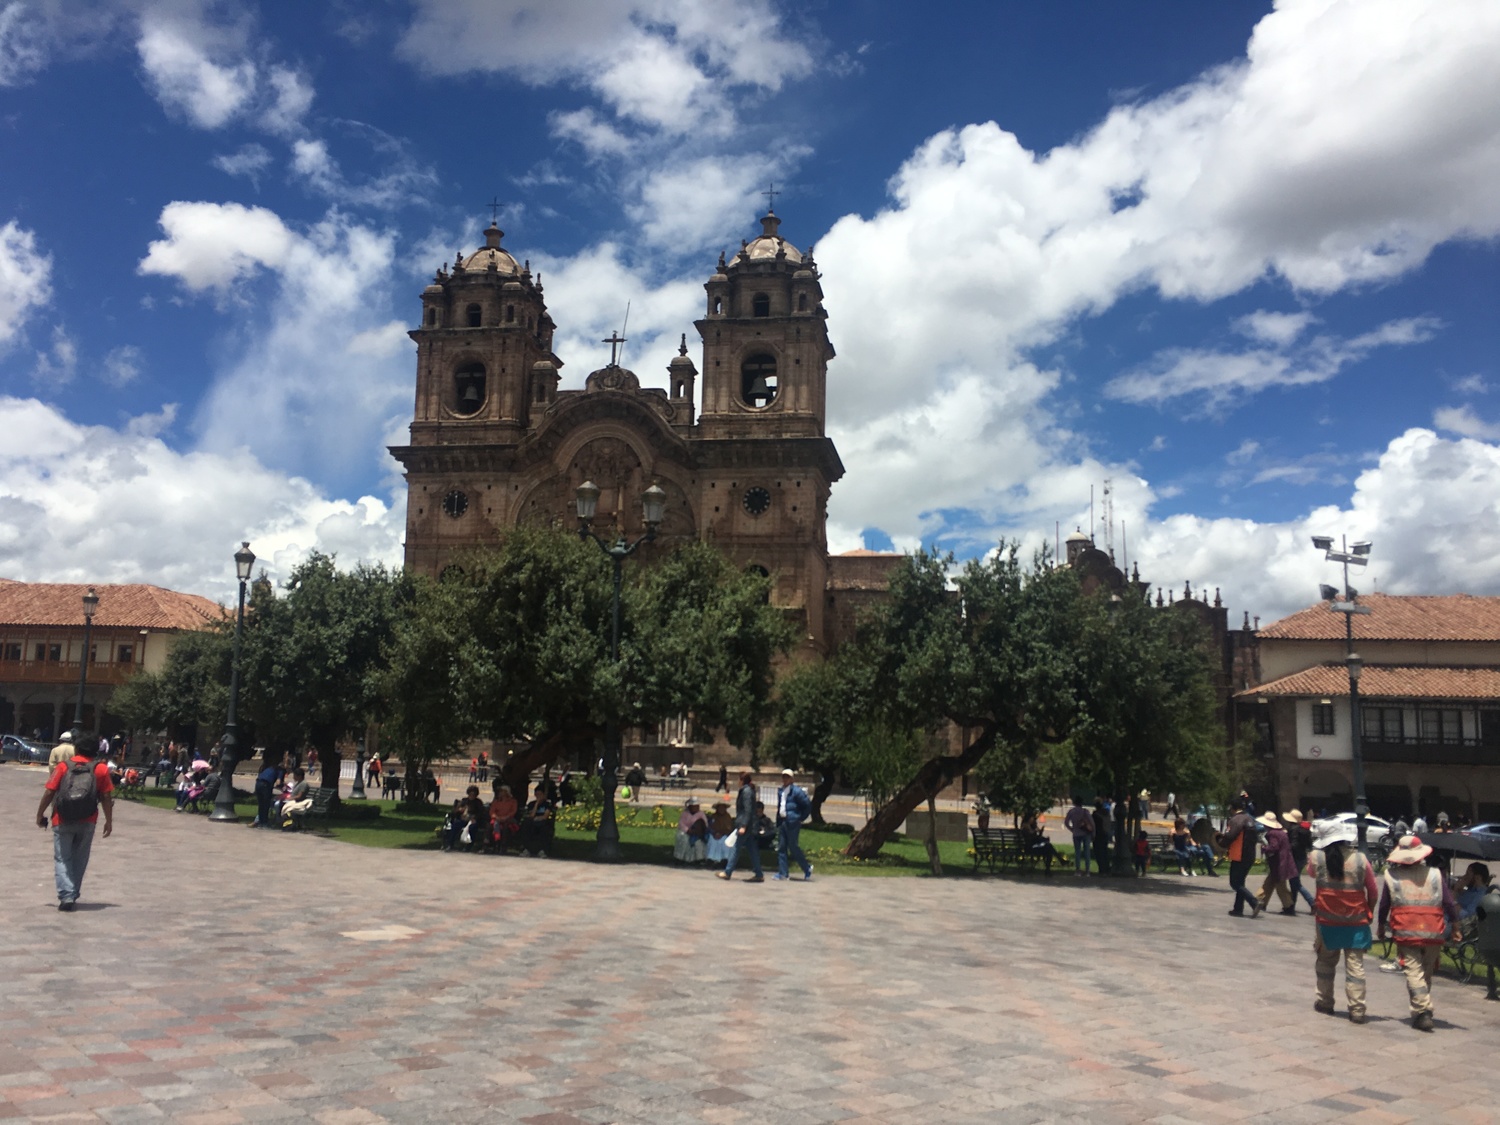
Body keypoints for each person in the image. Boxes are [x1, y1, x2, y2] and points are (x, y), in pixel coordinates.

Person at [1377, 835, 1456, 1032]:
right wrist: (1455, 926)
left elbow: (1385, 904)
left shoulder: (1392, 875)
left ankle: (1422, 1010)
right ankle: (1422, 1008)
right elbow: (1448, 903)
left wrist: (1380, 925)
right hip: (1433, 930)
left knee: (1413, 971)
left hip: (1406, 930)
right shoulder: (1435, 874)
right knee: (1426, 973)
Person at [36, 738, 114, 910]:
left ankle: (67, 895)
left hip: (62, 818)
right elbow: (106, 797)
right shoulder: (100, 769)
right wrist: (109, 821)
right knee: (80, 858)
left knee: (63, 857)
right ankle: (72, 892)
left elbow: (49, 791)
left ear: (77, 749)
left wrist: (40, 813)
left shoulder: (64, 767)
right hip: (88, 819)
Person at [1309, 836, 1379, 1023]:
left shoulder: (1316, 857)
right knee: (1355, 967)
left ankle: (1325, 1002)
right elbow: (1373, 892)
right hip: (1355, 923)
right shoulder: (1360, 860)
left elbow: (1310, 873)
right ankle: (1357, 1010)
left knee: (1325, 962)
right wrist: (1369, 912)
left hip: (1327, 922)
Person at [717, 770, 764, 882]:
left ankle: (727, 872)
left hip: (746, 825)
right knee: (752, 849)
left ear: (742, 780)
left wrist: (743, 825)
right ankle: (759, 873)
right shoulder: (747, 790)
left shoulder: (746, 792)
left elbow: (747, 810)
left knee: (736, 847)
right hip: (749, 825)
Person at [1219, 799, 1262, 917]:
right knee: (1240, 882)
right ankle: (1238, 909)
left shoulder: (1236, 820)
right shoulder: (1250, 819)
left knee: (1234, 883)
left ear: (1232, 808)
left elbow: (1231, 835)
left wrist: (1221, 842)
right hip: (1250, 855)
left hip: (1239, 855)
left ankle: (1254, 902)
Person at [773, 768, 813, 881]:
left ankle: (807, 868)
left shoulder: (797, 791)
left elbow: (807, 805)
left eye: (787, 777)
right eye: (783, 777)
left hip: (792, 823)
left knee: (793, 846)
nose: (785, 779)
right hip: (783, 822)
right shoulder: (781, 791)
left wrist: (800, 818)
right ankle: (783, 873)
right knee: (781, 847)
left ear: (792, 779)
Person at [1255, 813, 1297, 914]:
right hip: (1283, 862)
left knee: (1280, 887)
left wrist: (1265, 848)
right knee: (1269, 884)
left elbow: (1274, 847)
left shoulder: (1272, 834)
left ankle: (1289, 906)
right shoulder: (1281, 832)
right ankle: (1261, 902)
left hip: (1279, 864)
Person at [1283, 809, 1316, 911]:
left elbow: (1294, 844)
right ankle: (1291, 906)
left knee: (1295, 883)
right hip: (1302, 857)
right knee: (1294, 882)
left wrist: (1286, 848)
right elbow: (1309, 845)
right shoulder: (1304, 830)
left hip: (1295, 858)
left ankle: (1312, 903)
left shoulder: (1293, 829)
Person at [516, 783, 554, 856]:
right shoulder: (531, 804)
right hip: (532, 822)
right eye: (537, 794)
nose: (538, 796)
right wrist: (536, 804)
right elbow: (531, 815)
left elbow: (545, 816)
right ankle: (527, 849)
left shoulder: (547, 804)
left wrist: (538, 818)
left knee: (544, 829)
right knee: (526, 826)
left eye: (540, 794)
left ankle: (542, 850)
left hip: (543, 822)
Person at [1064, 797, 1094, 876]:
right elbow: (1092, 823)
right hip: (1085, 834)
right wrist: (1093, 832)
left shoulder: (1071, 812)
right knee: (1087, 852)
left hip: (1076, 834)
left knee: (1077, 852)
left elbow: (1066, 822)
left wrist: (1072, 829)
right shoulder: (1085, 811)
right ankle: (1087, 871)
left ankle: (1078, 870)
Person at [674, 797, 709, 864]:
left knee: (698, 843)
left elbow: (705, 824)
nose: (696, 807)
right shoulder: (685, 813)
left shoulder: (701, 814)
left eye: (697, 806)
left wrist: (697, 830)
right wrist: (687, 830)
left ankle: (699, 859)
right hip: (685, 831)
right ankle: (680, 858)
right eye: (694, 806)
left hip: (697, 833)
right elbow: (681, 823)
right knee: (684, 839)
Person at [251, 755, 283, 828]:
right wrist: (283, 786)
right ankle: (264, 823)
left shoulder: (269, 768)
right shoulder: (280, 770)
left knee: (261, 805)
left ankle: (260, 822)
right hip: (266, 785)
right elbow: (278, 782)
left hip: (258, 783)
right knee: (266, 805)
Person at [489, 784, 519, 850]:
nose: (500, 793)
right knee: (490, 826)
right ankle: (492, 844)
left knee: (506, 827)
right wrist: (496, 817)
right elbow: (492, 811)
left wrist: (505, 817)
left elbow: (513, 811)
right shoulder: (496, 802)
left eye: (502, 791)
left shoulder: (513, 801)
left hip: (508, 819)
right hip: (497, 819)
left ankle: (503, 845)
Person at [1092, 798, 1113, 875]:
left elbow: (1093, 825)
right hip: (1106, 834)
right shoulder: (1106, 813)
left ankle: (1102, 869)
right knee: (1104, 851)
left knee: (1098, 852)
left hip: (1098, 835)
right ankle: (1106, 868)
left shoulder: (1095, 814)